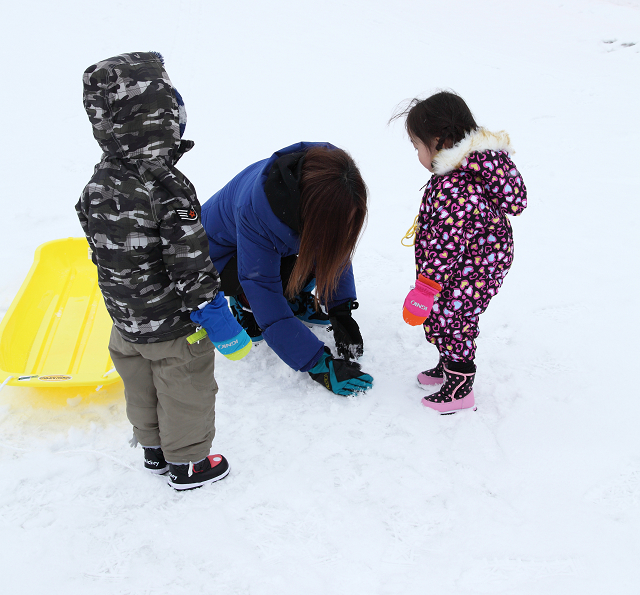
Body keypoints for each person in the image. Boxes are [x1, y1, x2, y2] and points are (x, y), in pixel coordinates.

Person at [76, 51, 250, 490]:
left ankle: (153, 449)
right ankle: (188, 463)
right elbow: (189, 259)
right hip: (172, 322)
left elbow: (92, 234)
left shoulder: (100, 179)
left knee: (140, 385)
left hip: (125, 319)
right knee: (183, 384)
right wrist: (215, 314)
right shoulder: (167, 186)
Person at [201, 143, 374, 396]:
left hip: (269, 237)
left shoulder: (327, 179)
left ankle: (292, 299)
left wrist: (341, 310)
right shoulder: (256, 213)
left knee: (319, 247)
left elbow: (334, 246)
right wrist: (318, 364)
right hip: (218, 258)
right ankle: (243, 303)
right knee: (264, 286)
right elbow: (263, 291)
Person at [399, 92, 527, 413]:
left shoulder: (455, 186)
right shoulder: (467, 170)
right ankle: (449, 365)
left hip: (471, 265)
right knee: (446, 314)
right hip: (477, 259)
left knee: (453, 319)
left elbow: (445, 245)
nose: (417, 154)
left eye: (417, 146)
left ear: (439, 141)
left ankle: (459, 386)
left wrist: (426, 288)